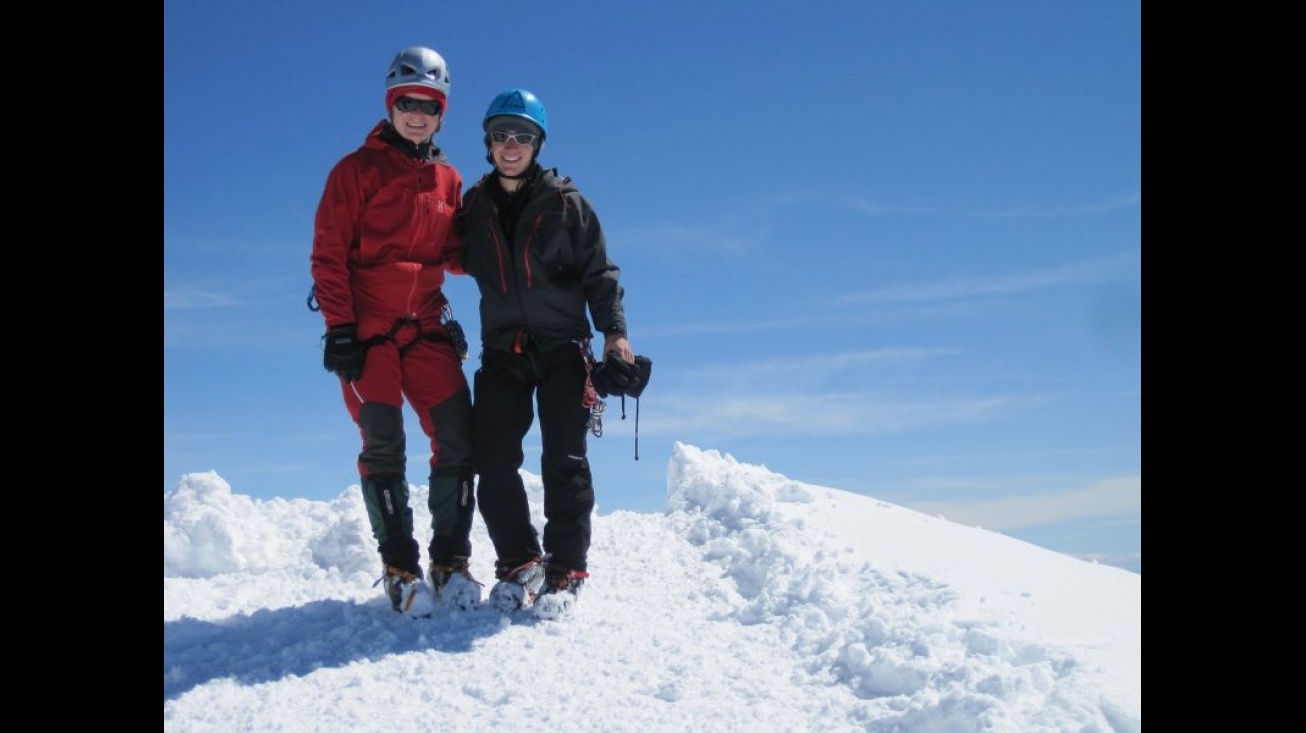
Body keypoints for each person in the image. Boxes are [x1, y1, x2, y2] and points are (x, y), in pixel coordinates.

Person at [310, 46, 480, 617]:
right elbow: (328, 257)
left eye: (429, 104)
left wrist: (504, 237)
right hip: (369, 332)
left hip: (426, 327)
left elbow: (457, 253)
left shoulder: (448, 179)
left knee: (459, 437)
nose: (417, 113)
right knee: (385, 446)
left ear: (441, 112)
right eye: (406, 102)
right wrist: (340, 328)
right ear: (390, 104)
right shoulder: (353, 172)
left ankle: (450, 562)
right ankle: (400, 566)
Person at [455, 88, 636, 620]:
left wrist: (614, 332)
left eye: (523, 136)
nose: (511, 145)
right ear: (487, 142)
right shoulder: (474, 207)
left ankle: (566, 568)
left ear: (538, 143)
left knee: (565, 458)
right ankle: (518, 559)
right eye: (501, 135)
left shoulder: (566, 203)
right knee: (491, 458)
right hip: (502, 351)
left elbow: (600, 273)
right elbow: (437, 256)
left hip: (562, 349)